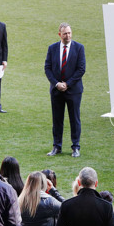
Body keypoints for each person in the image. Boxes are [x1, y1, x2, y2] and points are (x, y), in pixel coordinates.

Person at [44, 23, 85, 158]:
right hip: (56, 91)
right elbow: (47, 68)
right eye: (65, 33)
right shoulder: (52, 48)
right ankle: (57, 146)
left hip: (73, 90)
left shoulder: (79, 48)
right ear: (59, 34)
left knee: (74, 119)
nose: (68, 36)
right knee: (57, 119)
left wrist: (67, 84)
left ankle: (76, 147)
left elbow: (81, 69)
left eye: (69, 33)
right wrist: (56, 84)